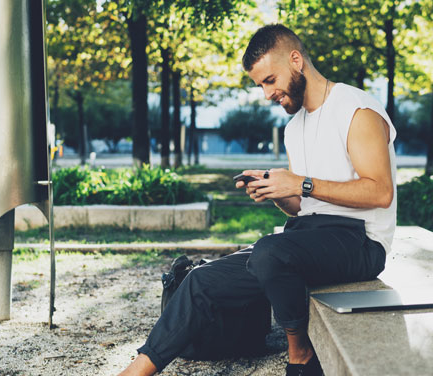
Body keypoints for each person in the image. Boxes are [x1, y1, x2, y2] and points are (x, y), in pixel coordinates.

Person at [119, 24, 397, 376]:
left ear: (296, 60)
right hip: (305, 237)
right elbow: (303, 205)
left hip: (361, 241)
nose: (267, 94)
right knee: (200, 280)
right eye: (260, 85)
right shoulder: (294, 127)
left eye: (270, 80)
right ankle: (137, 370)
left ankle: (300, 355)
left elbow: (380, 191)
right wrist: (277, 192)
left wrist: (300, 182)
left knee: (269, 251)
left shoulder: (356, 109)